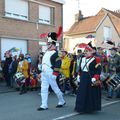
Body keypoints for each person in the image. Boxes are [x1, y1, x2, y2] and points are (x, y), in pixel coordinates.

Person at [37, 32, 65, 111]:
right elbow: (44, 64)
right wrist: (41, 72)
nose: (47, 44)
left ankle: (62, 101)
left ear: (53, 44)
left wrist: (55, 74)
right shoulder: (46, 52)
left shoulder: (56, 53)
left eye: (48, 43)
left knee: (55, 88)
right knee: (44, 88)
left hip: (51, 73)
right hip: (44, 73)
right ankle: (44, 105)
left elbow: (58, 63)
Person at [74, 44, 102, 113]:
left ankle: (89, 108)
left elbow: (98, 70)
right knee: (82, 93)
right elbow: (80, 69)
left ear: (91, 52)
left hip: (91, 77)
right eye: (85, 51)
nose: (85, 52)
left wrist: (95, 78)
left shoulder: (96, 59)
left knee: (90, 93)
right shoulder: (82, 59)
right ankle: (81, 108)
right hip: (83, 77)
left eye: (87, 51)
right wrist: (79, 75)